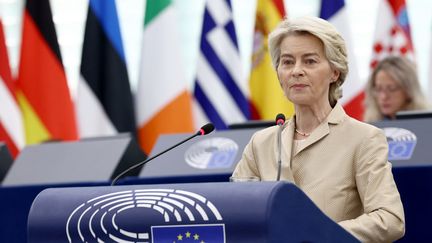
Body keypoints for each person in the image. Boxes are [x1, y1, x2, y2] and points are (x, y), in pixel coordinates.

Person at [232, 16, 405, 242]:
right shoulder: (261, 143)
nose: (296, 71)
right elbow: (237, 214)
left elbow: (390, 219)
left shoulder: (363, 139)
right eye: (287, 62)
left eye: (310, 61)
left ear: (335, 72)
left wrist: (319, 234)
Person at [364, 56, 430, 122]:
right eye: (378, 89)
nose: (383, 97)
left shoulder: (427, 124)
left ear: (408, 90)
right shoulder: (370, 127)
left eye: (392, 89)